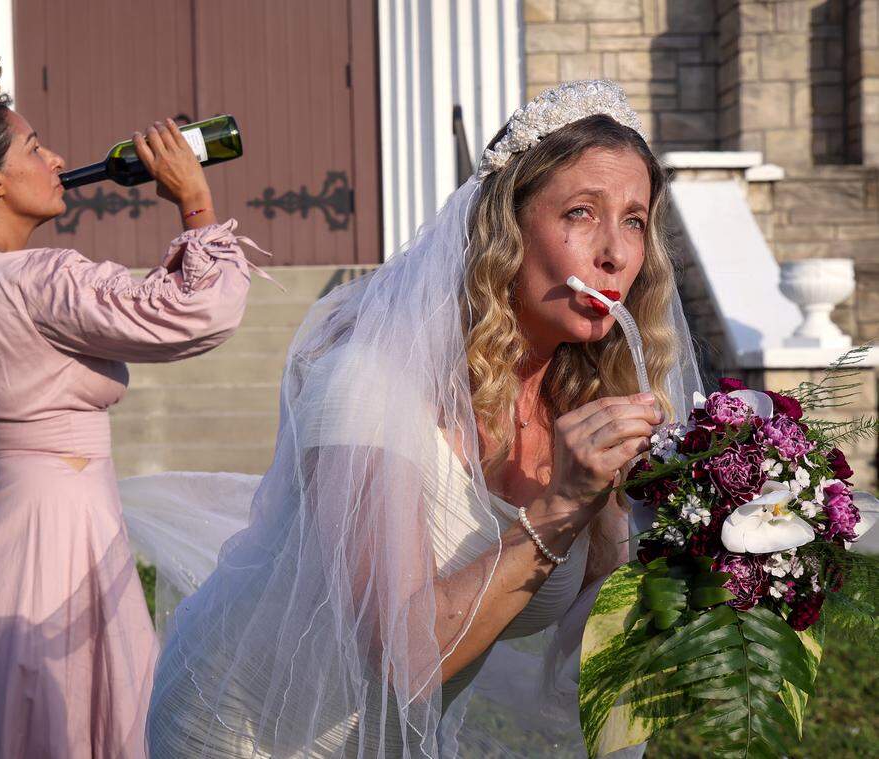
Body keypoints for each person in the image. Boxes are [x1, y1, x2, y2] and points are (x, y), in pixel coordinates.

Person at [124, 80, 704, 756]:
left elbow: (593, 630)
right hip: (246, 732)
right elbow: (404, 656)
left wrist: (722, 553)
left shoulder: (584, 402)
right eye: (581, 212)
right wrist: (559, 508)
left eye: (634, 220)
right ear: (506, 227)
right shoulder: (371, 379)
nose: (616, 253)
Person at [0, 59, 268, 758]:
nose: (57, 159)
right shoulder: (39, 279)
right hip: (59, 531)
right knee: (65, 712)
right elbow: (197, 312)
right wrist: (194, 199)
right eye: (35, 148)